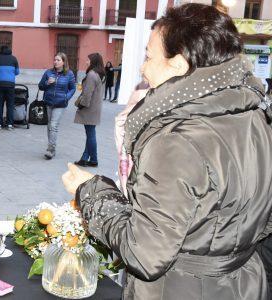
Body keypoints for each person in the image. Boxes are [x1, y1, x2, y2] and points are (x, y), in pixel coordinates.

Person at [62, 4, 272, 299]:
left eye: (149, 56)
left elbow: (145, 253)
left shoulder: (177, 139)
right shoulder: (256, 116)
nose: (142, 67)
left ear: (178, 65)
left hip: (181, 288)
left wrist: (90, 191)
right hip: (243, 283)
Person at [37, 52, 75, 159]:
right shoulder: (48, 72)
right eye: (55, 60)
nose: (55, 62)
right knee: (49, 125)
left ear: (63, 62)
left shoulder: (69, 74)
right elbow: (40, 86)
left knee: (53, 125)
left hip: (60, 103)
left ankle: (51, 149)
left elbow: (73, 88)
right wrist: (47, 83)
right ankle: (51, 147)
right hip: (49, 102)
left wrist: (66, 97)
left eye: (58, 60)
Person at [73, 53, 104, 167]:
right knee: (90, 133)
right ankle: (86, 158)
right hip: (95, 108)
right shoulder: (98, 74)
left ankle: (93, 159)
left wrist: (81, 105)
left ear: (93, 61)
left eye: (88, 60)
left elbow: (87, 95)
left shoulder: (91, 75)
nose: (86, 62)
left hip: (89, 108)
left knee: (90, 134)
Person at [0, 45, 19, 130]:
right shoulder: (14, 58)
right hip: (10, 85)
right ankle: (10, 124)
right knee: (10, 104)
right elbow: (17, 72)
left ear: (0, 51)